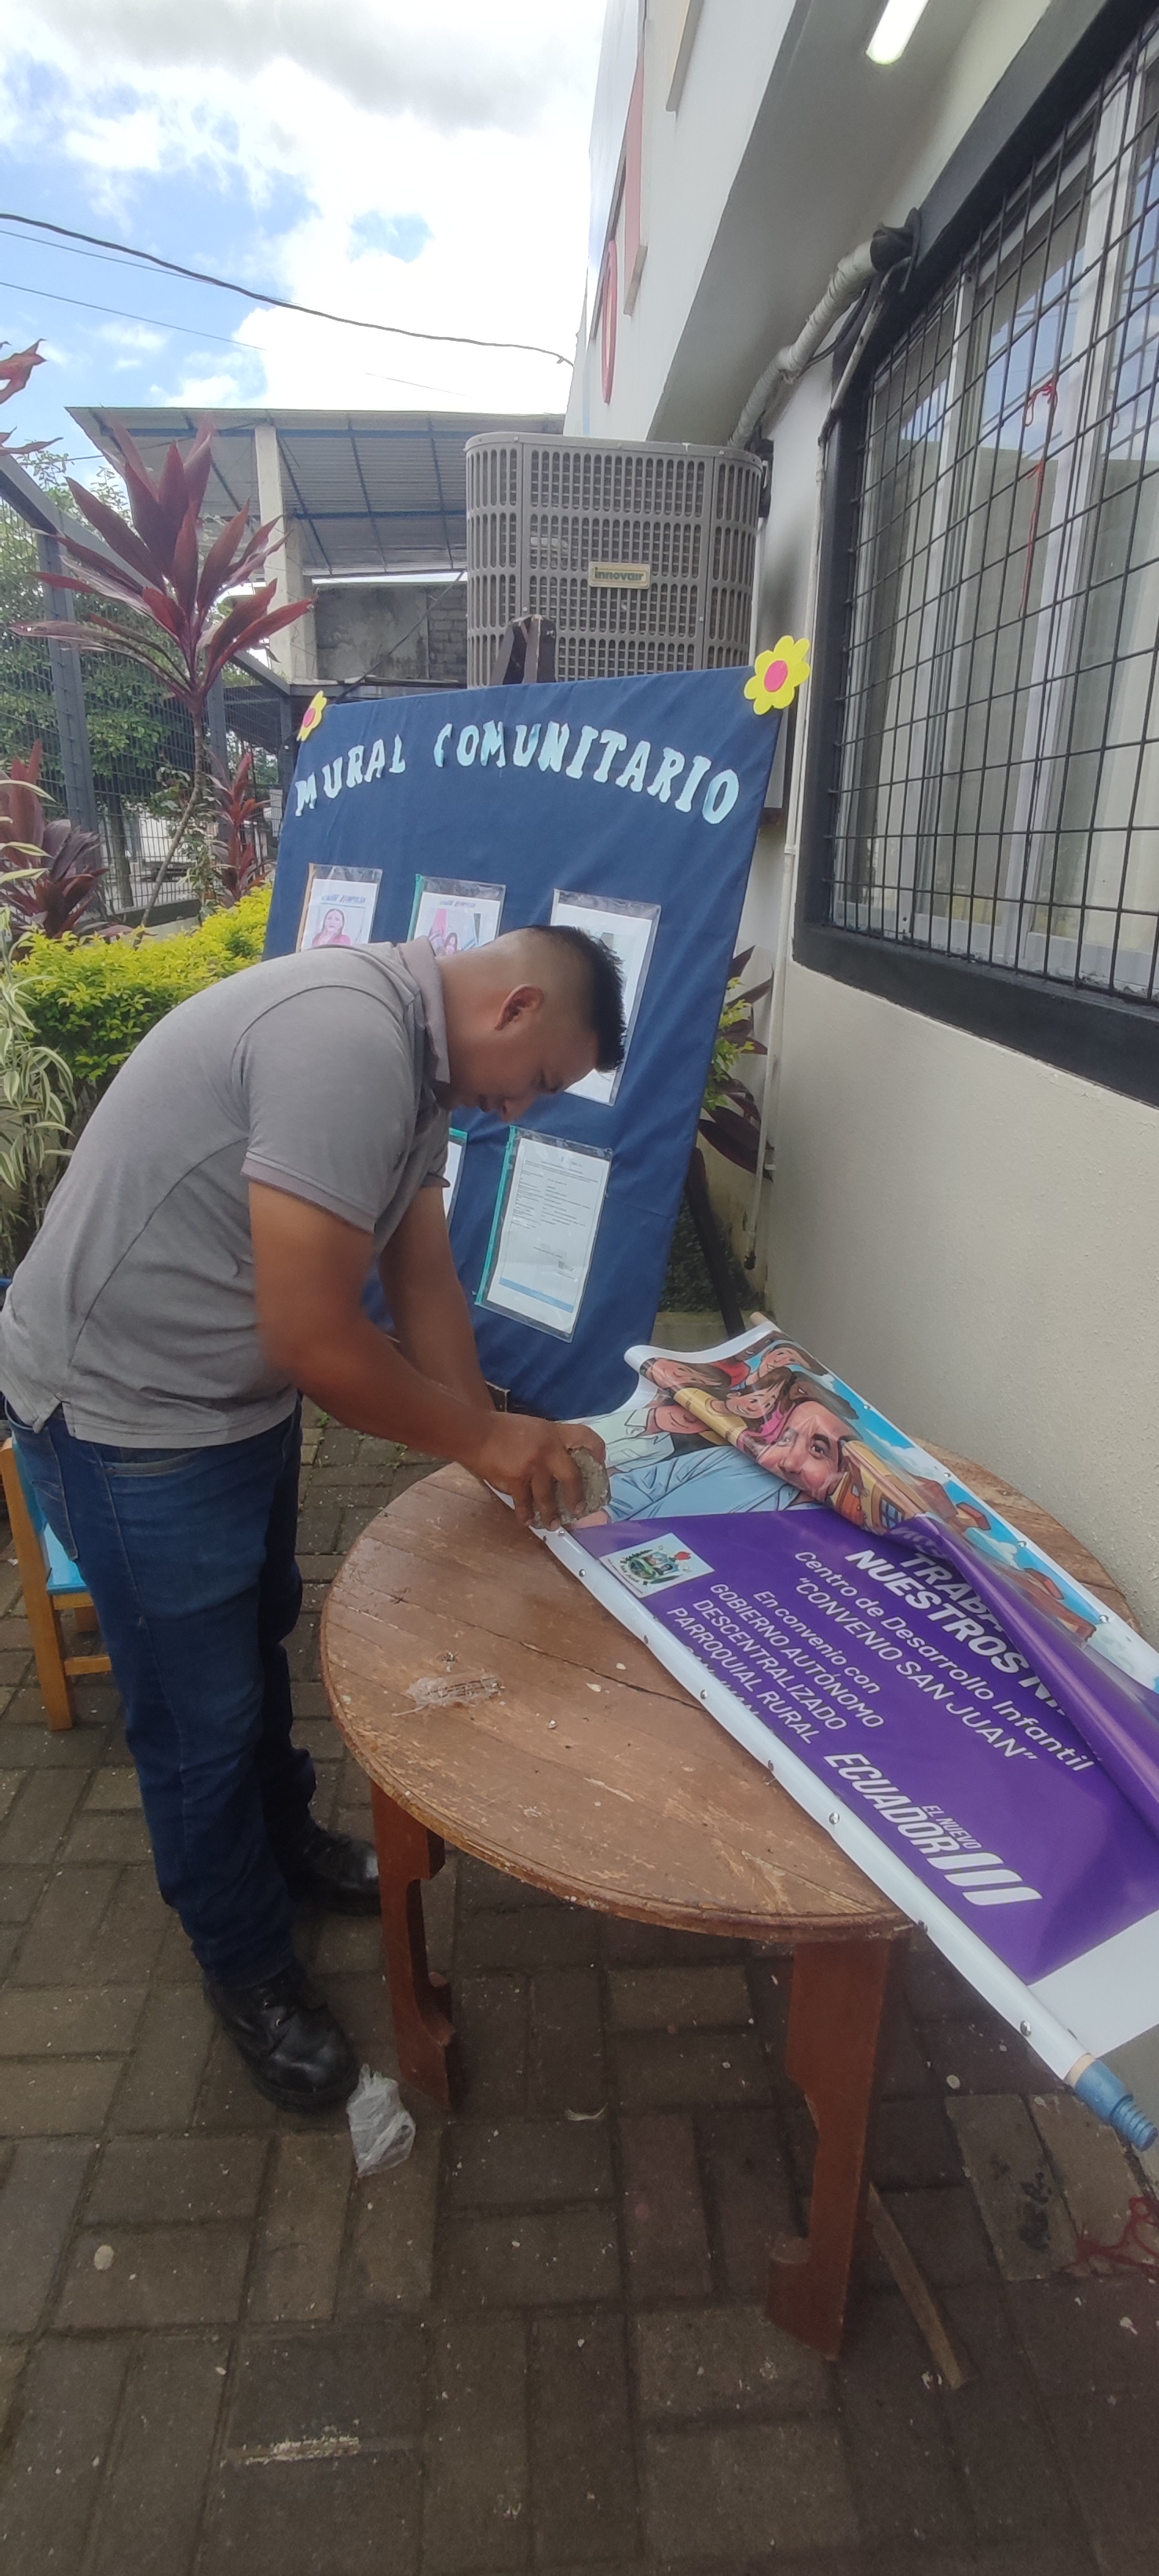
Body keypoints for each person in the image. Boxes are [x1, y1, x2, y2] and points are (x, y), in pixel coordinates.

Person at [0, 924, 623, 2111]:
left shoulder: (423, 1067)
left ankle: (282, 1842)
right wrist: (482, 1442)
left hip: (226, 1396)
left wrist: (485, 1443)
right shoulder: (346, 1040)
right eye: (539, 1079)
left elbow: (422, 1276)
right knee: (197, 1718)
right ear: (517, 1007)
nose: (522, 1110)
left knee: (255, 1638)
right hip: (128, 1411)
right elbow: (313, 1337)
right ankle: (244, 1963)